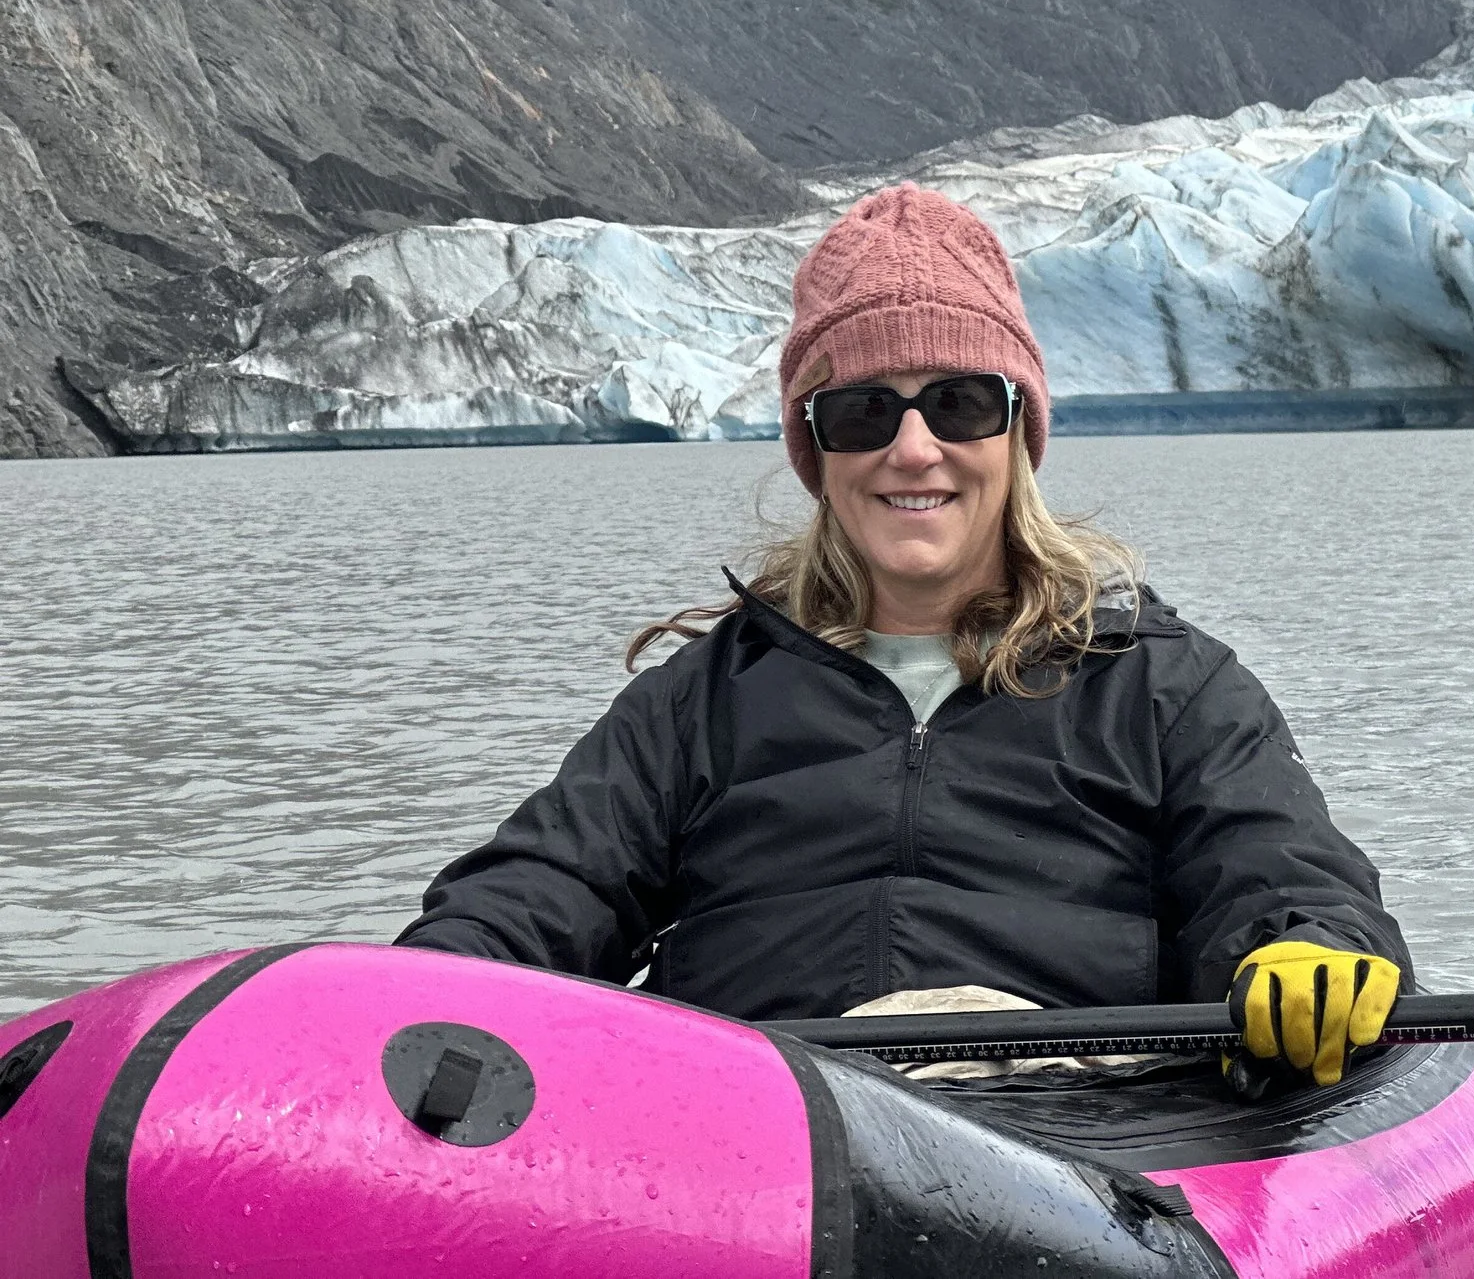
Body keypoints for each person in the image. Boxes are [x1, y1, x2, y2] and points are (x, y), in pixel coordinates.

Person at [398, 184, 1409, 1089]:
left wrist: (1301, 942)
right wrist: (433, 976)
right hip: (756, 1149)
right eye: (862, 412)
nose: (912, 448)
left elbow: (1277, 864)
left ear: (1016, 432)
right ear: (816, 448)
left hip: (1084, 1144)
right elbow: (546, 885)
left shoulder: (1162, 687)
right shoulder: (702, 700)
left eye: (961, 403)